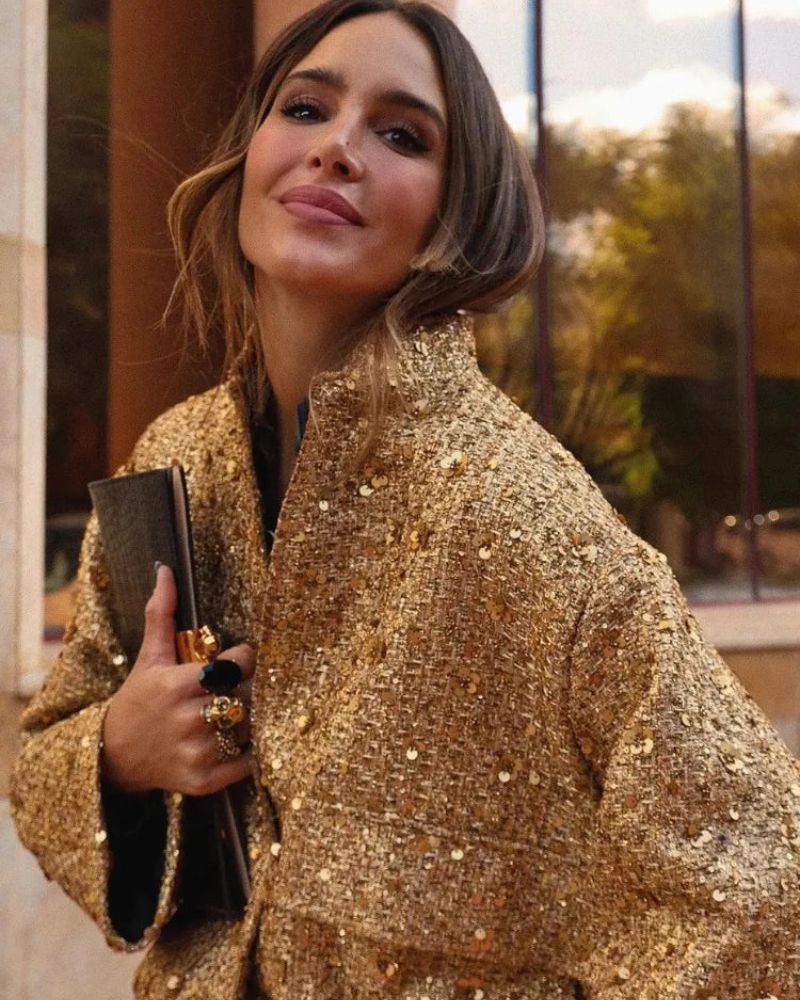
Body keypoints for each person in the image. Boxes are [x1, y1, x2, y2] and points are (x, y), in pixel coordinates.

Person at [11, 0, 800, 997]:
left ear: (454, 214)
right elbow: (45, 756)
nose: (336, 148)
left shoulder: (521, 513)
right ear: (249, 155)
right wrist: (121, 752)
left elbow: (762, 890)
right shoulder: (179, 457)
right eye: (305, 109)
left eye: (401, 135)